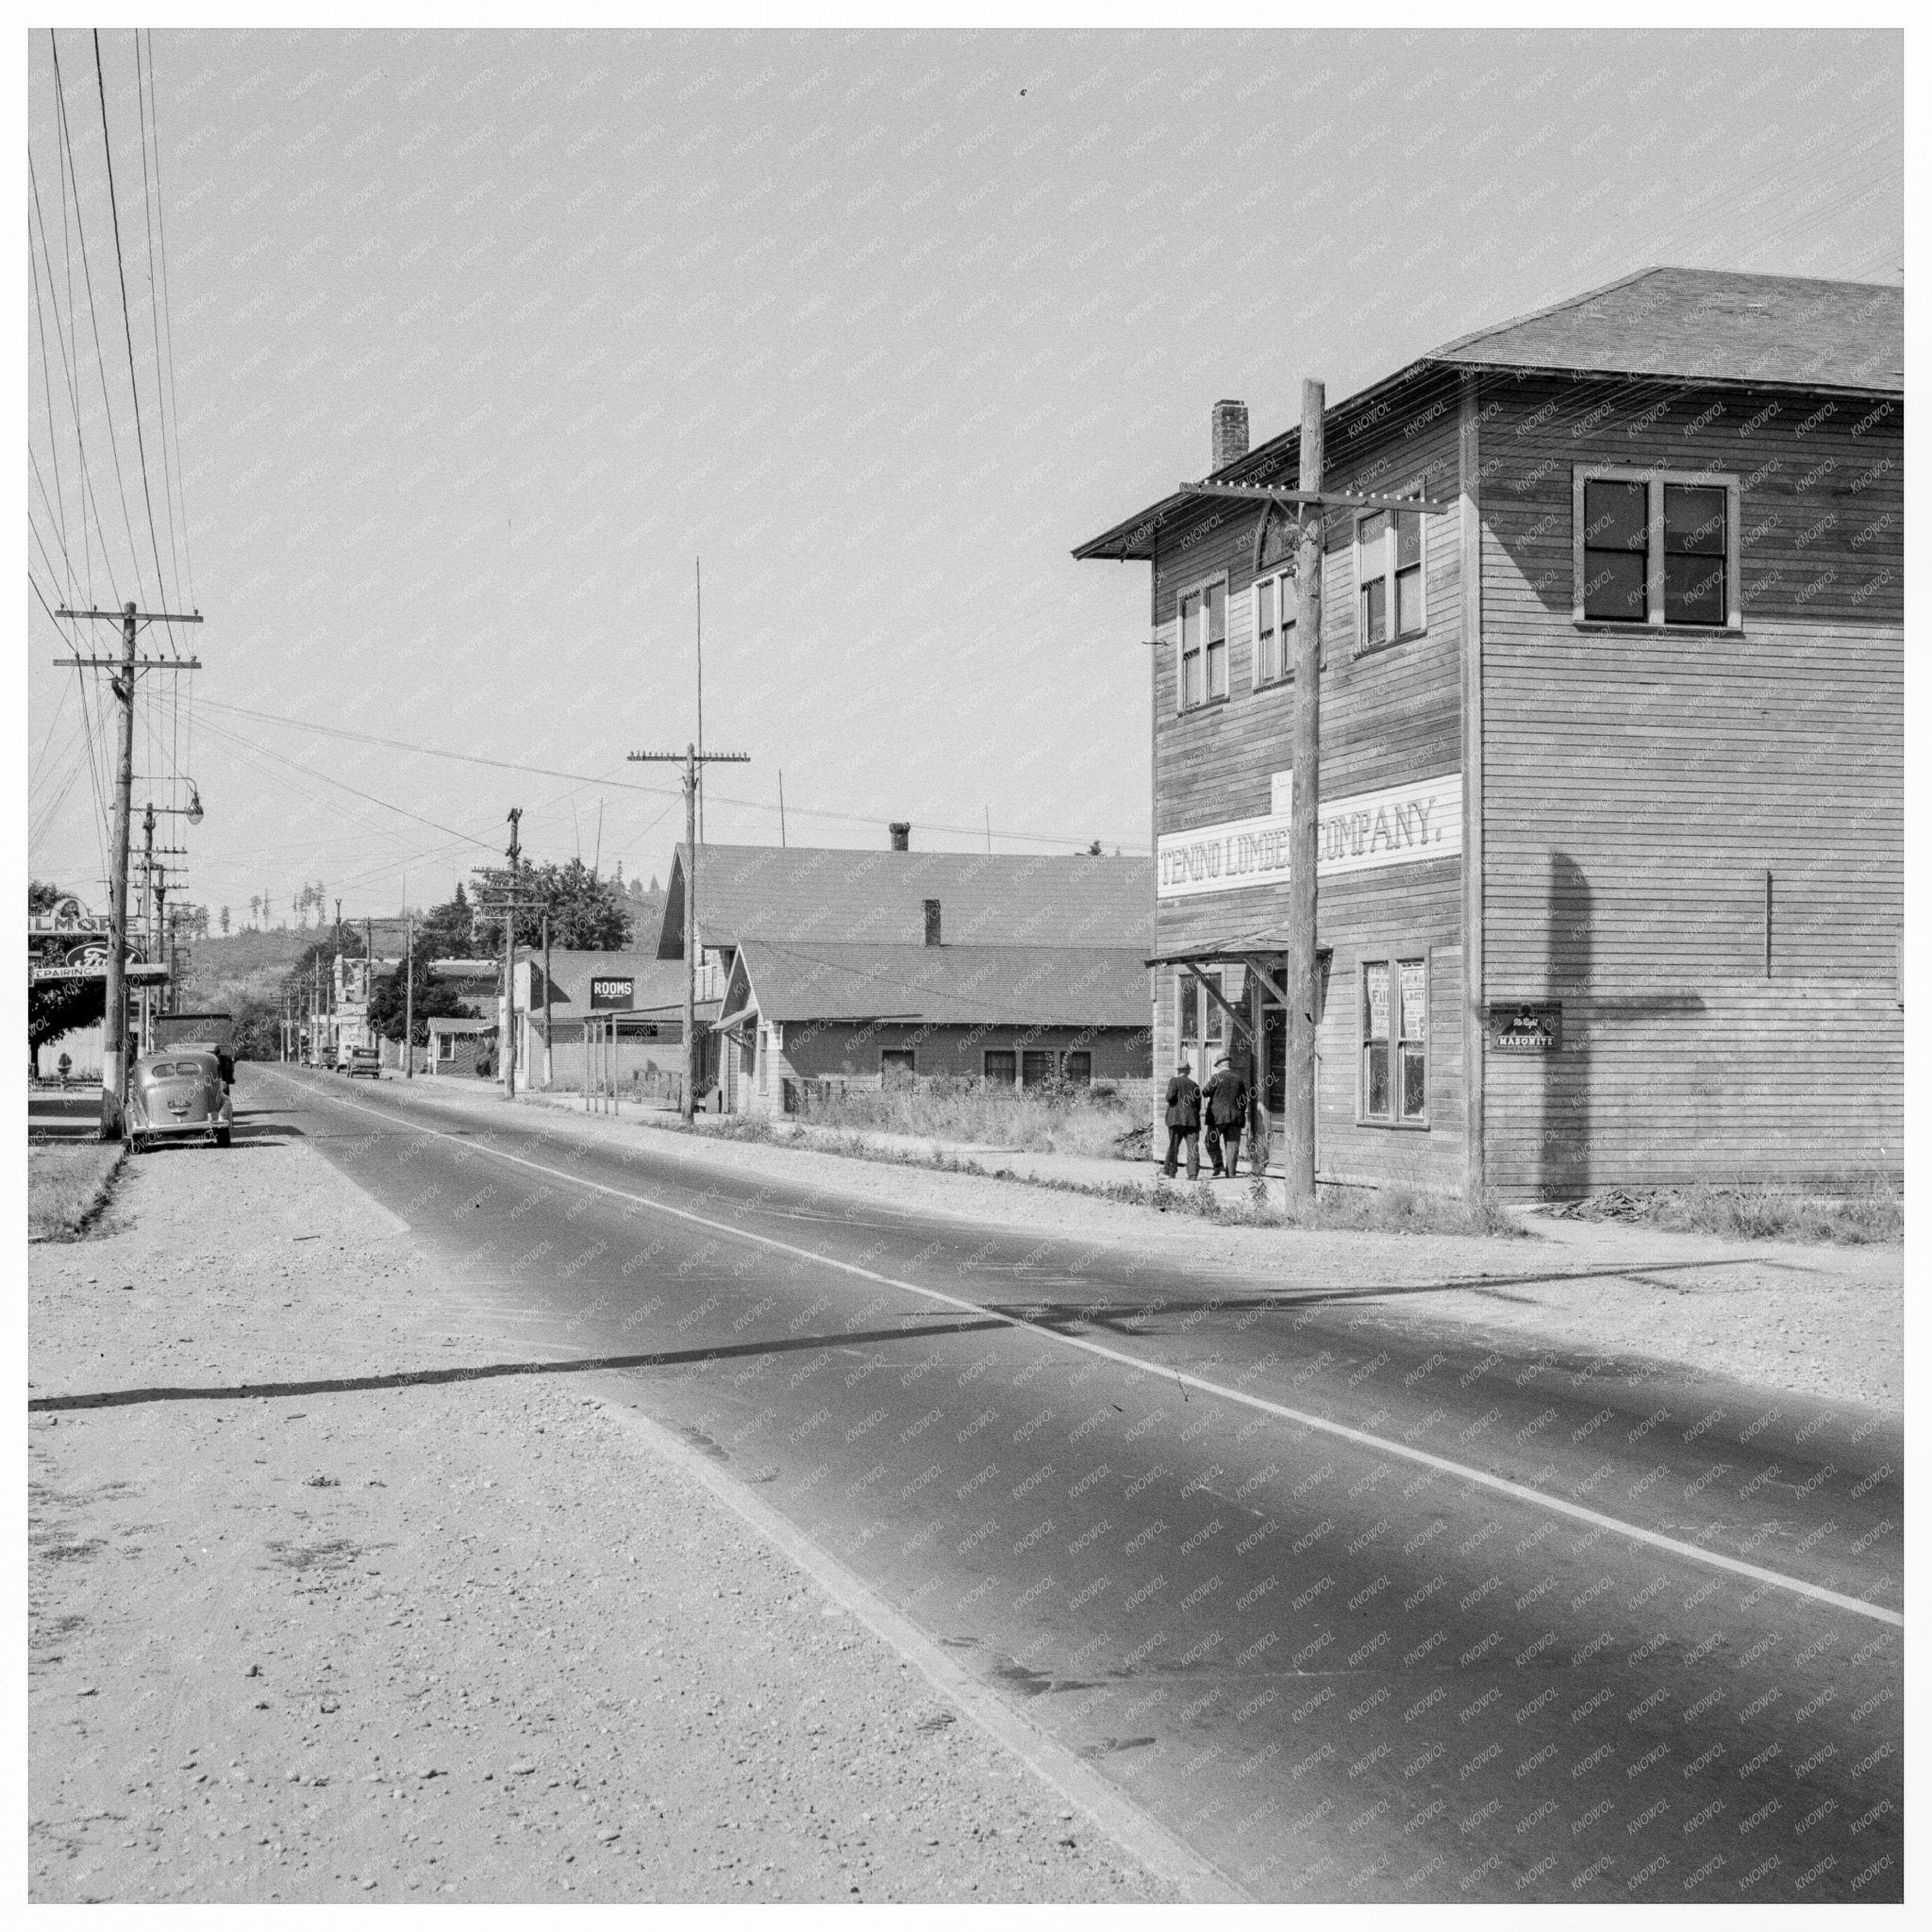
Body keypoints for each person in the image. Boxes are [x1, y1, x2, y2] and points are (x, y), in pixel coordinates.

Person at [1203, 1052, 1249, 1178]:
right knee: (1232, 1144)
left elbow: (1205, 1092)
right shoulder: (1238, 1079)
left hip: (1217, 1118)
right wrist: (1239, 1112)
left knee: (1210, 1141)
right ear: (1228, 1065)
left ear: (1218, 1065)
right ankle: (1231, 1173)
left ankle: (1218, 1164)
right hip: (1235, 1117)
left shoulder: (1215, 1078)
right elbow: (1244, 1100)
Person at [1162, 1053, 1202, 1180]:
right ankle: (1193, 1174)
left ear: (1178, 1071)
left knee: (1173, 1146)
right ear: (1188, 1071)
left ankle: (1170, 1172)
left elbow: (1169, 1097)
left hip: (1176, 1119)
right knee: (1192, 1148)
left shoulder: (1174, 1081)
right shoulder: (1195, 1085)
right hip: (1192, 1121)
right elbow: (1198, 1106)